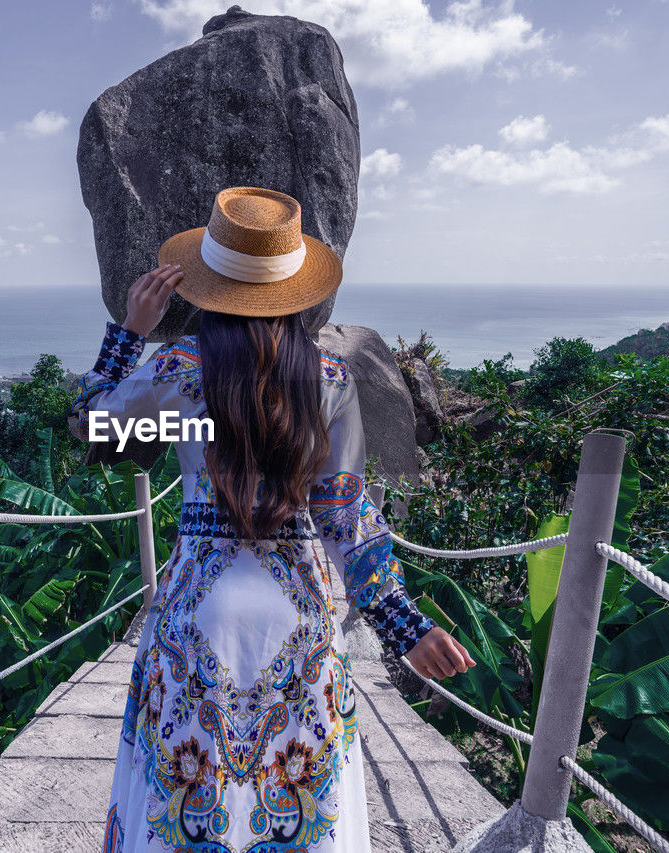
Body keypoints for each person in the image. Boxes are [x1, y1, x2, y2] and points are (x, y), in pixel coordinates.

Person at [68, 186, 476, 852]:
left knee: (187, 802)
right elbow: (347, 514)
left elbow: (93, 423)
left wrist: (130, 334)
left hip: (196, 616)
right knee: (295, 805)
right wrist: (406, 623)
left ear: (206, 284)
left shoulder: (179, 371)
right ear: (291, 287)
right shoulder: (331, 378)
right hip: (301, 620)